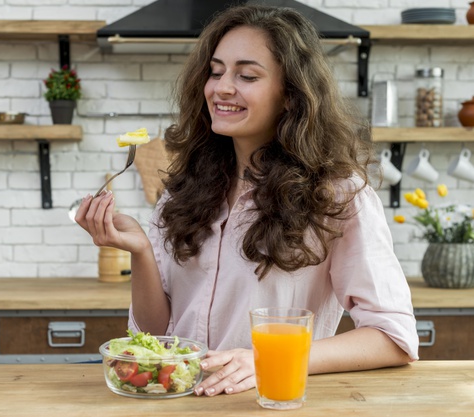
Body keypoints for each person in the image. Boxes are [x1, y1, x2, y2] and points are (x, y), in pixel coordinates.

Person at [75, 5, 419, 397]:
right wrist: (140, 251)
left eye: (247, 75)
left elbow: (394, 337)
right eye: (216, 71)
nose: (221, 87)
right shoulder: (184, 186)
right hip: (178, 402)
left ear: (291, 95)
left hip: (267, 400)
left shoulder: (336, 194)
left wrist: (267, 358)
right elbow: (158, 337)